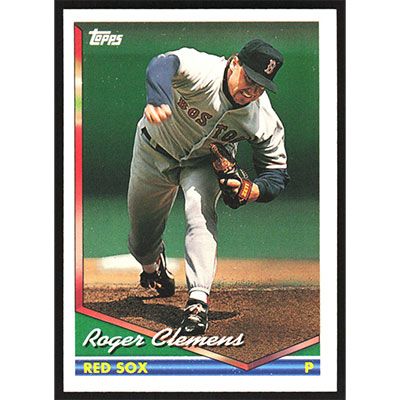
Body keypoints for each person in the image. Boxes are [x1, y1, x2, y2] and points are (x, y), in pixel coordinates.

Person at [127, 39, 289, 336]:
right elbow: (163, 63)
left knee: (199, 214)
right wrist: (158, 97)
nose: (252, 91)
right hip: (153, 151)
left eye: (261, 86)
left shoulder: (261, 117)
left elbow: (276, 174)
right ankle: (153, 267)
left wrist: (254, 190)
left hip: (203, 163)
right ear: (234, 63)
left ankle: (197, 301)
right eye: (249, 79)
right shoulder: (204, 70)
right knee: (141, 242)